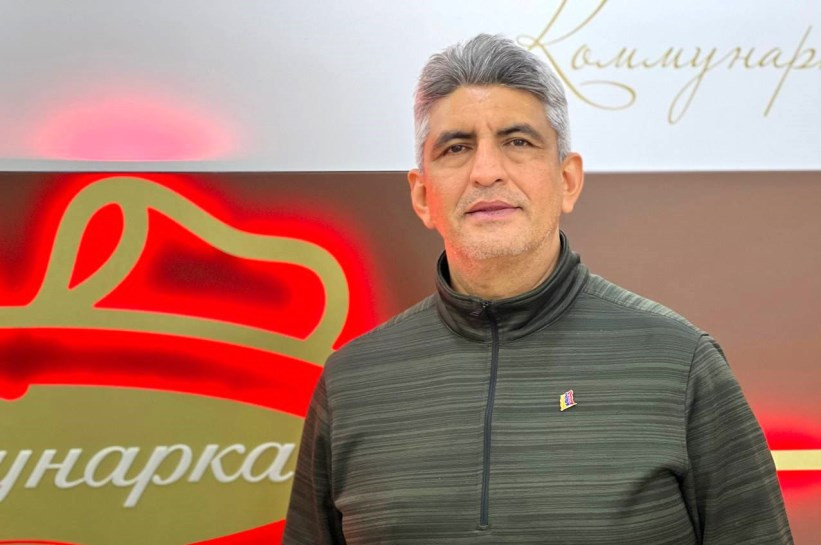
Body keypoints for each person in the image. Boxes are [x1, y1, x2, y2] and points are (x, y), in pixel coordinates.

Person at [283, 34, 793, 544]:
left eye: (518, 142)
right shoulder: (351, 384)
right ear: (422, 195)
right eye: (457, 148)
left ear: (567, 180)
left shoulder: (680, 364)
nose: (487, 172)